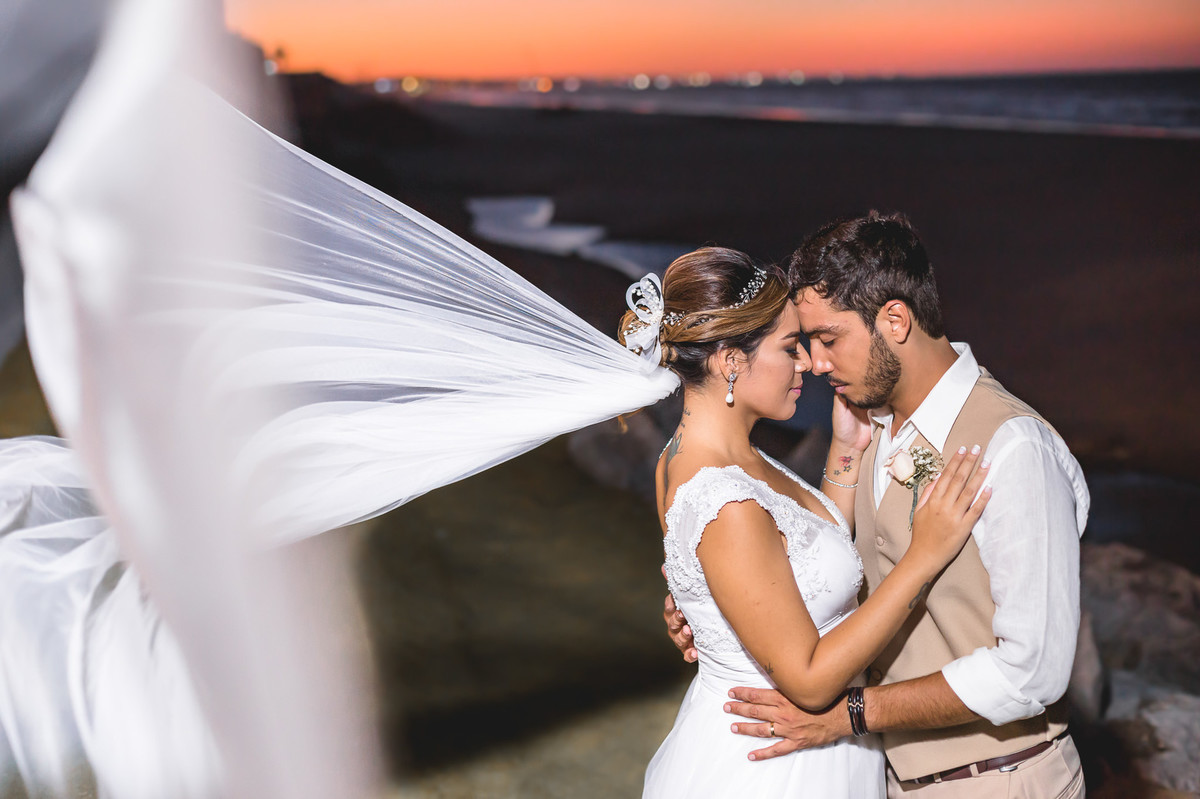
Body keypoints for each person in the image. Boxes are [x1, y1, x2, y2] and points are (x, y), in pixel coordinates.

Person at [666, 213, 1089, 797]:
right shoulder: (867, 426)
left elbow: (1032, 672)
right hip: (881, 779)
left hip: (1001, 779)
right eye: (803, 342)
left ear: (895, 319)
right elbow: (824, 564)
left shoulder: (1013, 447)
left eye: (828, 339)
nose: (815, 364)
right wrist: (718, 603)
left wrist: (855, 714)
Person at [631, 246, 992, 797]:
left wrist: (845, 450)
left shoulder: (697, 456)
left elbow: (802, 558)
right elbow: (810, 681)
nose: (806, 363)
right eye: (788, 347)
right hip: (776, 766)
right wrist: (924, 556)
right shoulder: (726, 501)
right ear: (730, 362)